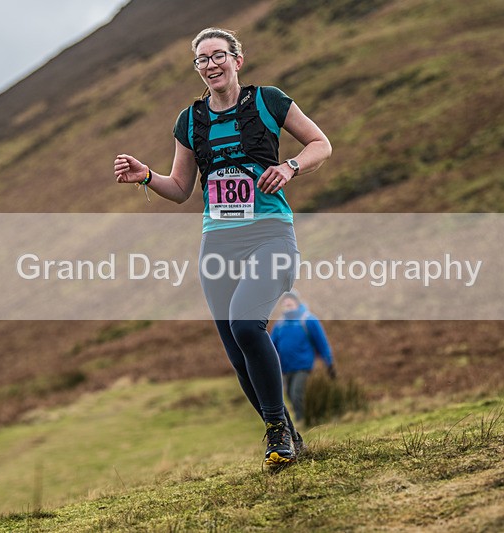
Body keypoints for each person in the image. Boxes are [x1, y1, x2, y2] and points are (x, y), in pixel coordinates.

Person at [113, 27, 331, 469]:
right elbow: (179, 188)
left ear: (238, 60)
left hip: (270, 234)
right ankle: (288, 435)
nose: (210, 65)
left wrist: (289, 167)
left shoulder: (270, 102)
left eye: (218, 56)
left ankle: (275, 431)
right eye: (202, 59)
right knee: (237, 351)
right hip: (218, 243)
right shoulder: (189, 121)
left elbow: (320, 144)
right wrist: (146, 176)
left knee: (247, 325)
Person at [271, 291, 335, 424]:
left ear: (297, 302)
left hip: (304, 366)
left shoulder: (308, 320)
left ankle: (302, 422)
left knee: (297, 394)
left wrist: (329, 363)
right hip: (285, 368)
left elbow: (322, 343)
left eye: (290, 301)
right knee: (289, 395)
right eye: (285, 302)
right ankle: (307, 418)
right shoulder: (280, 324)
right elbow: (271, 346)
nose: (287, 304)